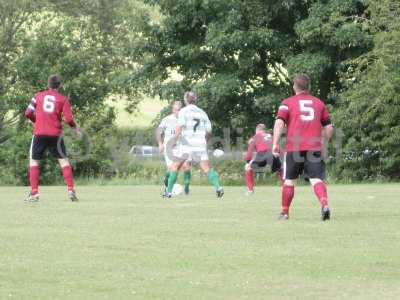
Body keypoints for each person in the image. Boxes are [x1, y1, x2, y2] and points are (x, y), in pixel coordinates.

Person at [272, 73, 334, 221]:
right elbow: (329, 128)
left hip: (294, 147)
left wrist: (274, 143)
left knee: (289, 180)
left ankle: (285, 212)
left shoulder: (287, 103)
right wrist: (323, 144)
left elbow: (280, 122)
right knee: (316, 179)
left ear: (294, 86)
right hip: (314, 147)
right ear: (309, 87)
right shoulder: (319, 103)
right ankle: (324, 204)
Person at [24, 75, 81, 202]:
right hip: (56, 134)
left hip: (39, 133)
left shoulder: (38, 95)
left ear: (48, 84)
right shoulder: (63, 99)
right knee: (64, 161)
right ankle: (71, 190)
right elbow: (69, 119)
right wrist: (75, 128)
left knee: (34, 161)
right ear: (60, 85)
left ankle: (34, 193)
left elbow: (27, 113)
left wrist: (36, 120)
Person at [165, 91, 224, 198]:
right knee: (207, 169)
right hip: (200, 145)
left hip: (186, 144)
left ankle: (168, 193)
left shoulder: (183, 111)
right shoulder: (202, 113)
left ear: (186, 100)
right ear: (195, 100)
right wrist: (204, 141)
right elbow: (209, 131)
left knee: (175, 166)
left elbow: (179, 128)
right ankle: (218, 188)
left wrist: (173, 141)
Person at [156, 101, 192, 195]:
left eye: (180, 110)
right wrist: (160, 144)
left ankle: (184, 187)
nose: (178, 112)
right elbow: (158, 131)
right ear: (173, 110)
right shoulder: (167, 119)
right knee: (172, 169)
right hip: (169, 148)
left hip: (181, 147)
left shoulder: (185, 120)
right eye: (176, 110)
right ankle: (169, 188)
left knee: (185, 167)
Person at [244, 124, 282, 194]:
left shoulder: (256, 136)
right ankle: (286, 187)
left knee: (248, 167)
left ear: (257, 130)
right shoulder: (271, 136)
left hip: (263, 154)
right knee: (280, 169)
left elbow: (250, 151)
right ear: (264, 130)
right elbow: (277, 148)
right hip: (273, 154)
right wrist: (279, 156)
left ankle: (250, 190)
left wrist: (248, 161)